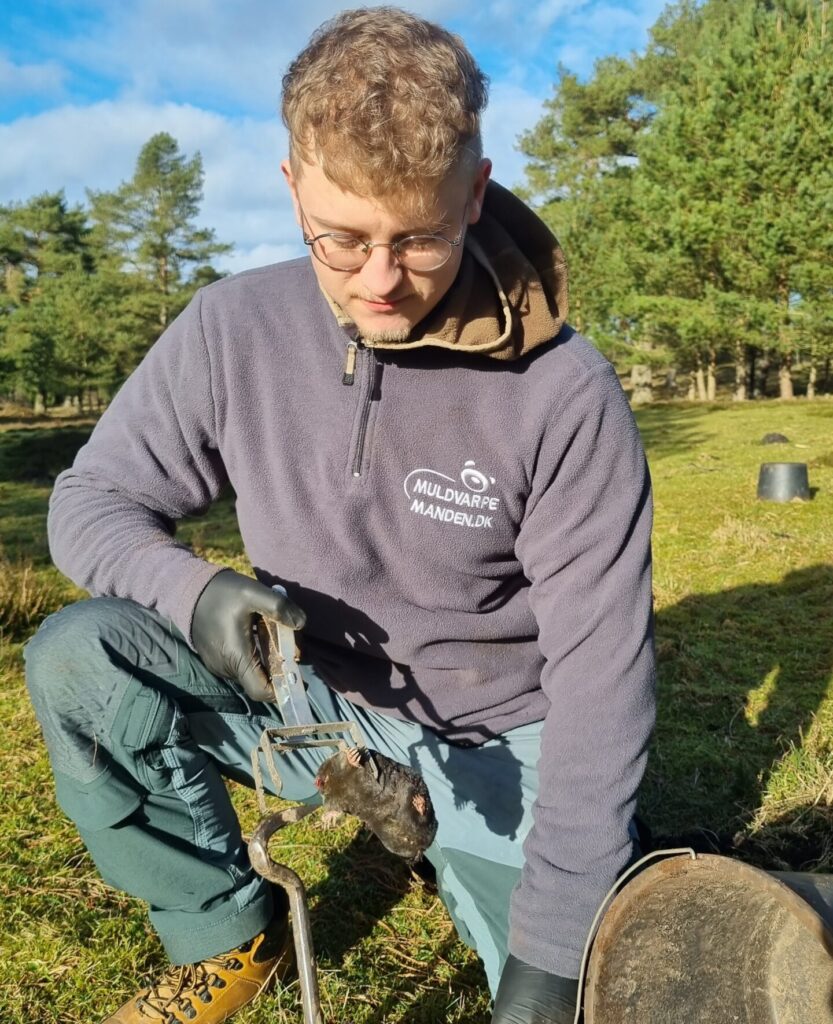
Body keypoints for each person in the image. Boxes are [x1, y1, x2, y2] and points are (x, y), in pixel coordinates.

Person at [24, 7, 655, 1023]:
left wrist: (548, 957)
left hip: (497, 738)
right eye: (339, 238)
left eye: (420, 239)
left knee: (582, 990)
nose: (378, 282)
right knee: (81, 657)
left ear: (474, 194)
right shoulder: (232, 327)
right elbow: (92, 501)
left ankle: (454, 847)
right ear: (289, 187)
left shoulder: (561, 390)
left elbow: (603, 678)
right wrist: (192, 594)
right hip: (303, 704)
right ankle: (222, 935)